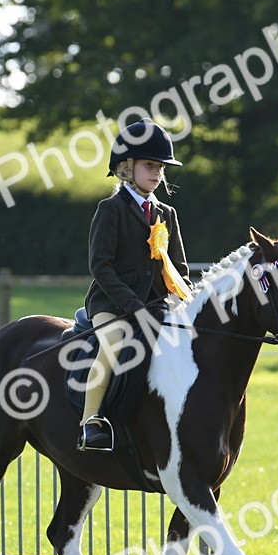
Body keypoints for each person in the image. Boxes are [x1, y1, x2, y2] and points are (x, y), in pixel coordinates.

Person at [78, 119, 192, 451]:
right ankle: (91, 422)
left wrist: (181, 298)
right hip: (111, 305)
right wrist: (131, 304)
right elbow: (100, 265)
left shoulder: (167, 213)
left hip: (156, 306)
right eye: (150, 166)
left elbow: (179, 266)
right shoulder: (110, 209)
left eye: (160, 167)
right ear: (126, 168)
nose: (157, 173)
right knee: (113, 344)